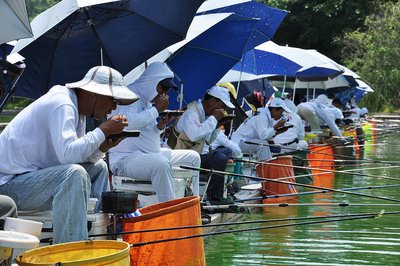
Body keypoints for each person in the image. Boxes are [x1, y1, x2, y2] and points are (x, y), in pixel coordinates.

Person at [0, 66, 138, 244]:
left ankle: (100, 234)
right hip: (8, 186)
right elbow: (68, 157)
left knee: (99, 167)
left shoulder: (77, 110)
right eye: (113, 100)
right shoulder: (62, 103)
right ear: (95, 93)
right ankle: (71, 250)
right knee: (74, 174)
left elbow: (78, 157)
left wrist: (102, 147)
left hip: (29, 180)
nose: (113, 108)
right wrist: (103, 130)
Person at [108, 62, 200, 202]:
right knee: (161, 164)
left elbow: (144, 131)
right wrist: (156, 110)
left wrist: (159, 126)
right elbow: (127, 123)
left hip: (149, 154)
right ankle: (169, 210)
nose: (165, 93)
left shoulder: (146, 100)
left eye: (167, 90)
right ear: (151, 82)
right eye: (163, 87)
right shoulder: (129, 95)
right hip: (124, 159)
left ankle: (194, 202)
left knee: (193, 158)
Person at [168, 86, 235, 204]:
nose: (223, 110)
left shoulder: (204, 114)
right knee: (219, 158)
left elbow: (207, 140)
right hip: (178, 156)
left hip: (191, 155)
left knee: (222, 155)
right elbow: (195, 135)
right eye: (222, 106)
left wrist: (217, 126)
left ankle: (215, 196)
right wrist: (214, 119)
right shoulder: (191, 113)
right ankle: (214, 199)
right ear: (213, 101)